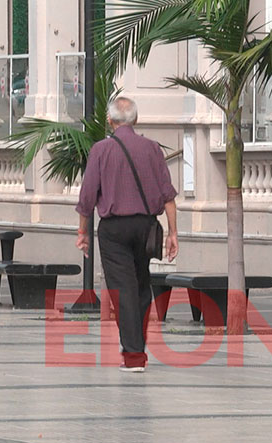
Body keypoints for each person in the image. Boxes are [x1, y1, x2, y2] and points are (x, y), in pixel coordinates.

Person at [75, 96, 178, 372]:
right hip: (146, 227)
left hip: (114, 229)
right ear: (136, 119)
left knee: (123, 290)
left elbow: (87, 197)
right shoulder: (152, 149)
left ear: (110, 121)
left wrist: (82, 231)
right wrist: (173, 234)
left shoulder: (101, 150)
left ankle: (133, 356)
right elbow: (168, 195)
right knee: (141, 286)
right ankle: (136, 346)